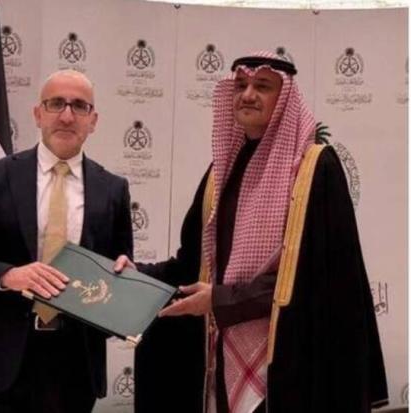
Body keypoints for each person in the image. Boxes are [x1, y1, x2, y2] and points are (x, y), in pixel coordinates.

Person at [115, 51, 388, 413]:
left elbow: (316, 278)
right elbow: (193, 263)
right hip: (222, 350)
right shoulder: (221, 172)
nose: (247, 95)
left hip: (291, 355)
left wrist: (221, 300)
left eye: (262, 86)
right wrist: (139, 275)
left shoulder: (315, 168)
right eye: (241, 85)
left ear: (285, 97)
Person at [0, 69, 133, 413]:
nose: (67, 116)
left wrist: (124, 278)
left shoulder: (114, 189)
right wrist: (8, 275)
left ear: (93, 121)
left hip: (74, 368)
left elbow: (119, 268)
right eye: (56, 103)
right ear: (38, 114)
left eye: (79, 106)